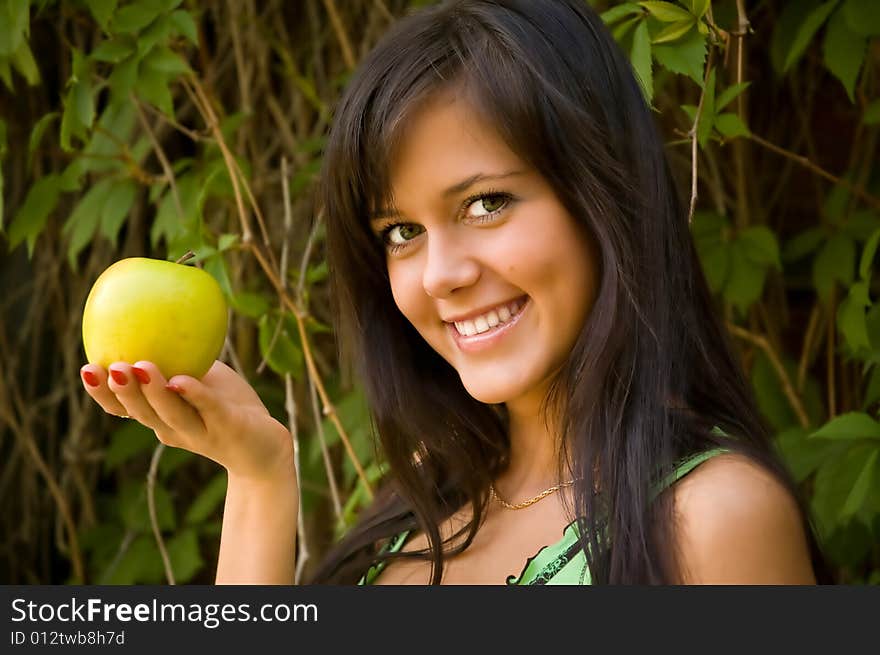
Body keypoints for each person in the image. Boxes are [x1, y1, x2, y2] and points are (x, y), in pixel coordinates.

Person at [80, 0, 826, 585]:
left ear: (605, 196)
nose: (440, 273)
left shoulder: (712, 519)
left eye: (486, 204)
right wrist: (260, 474)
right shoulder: (419, 516)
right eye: (402, 230)